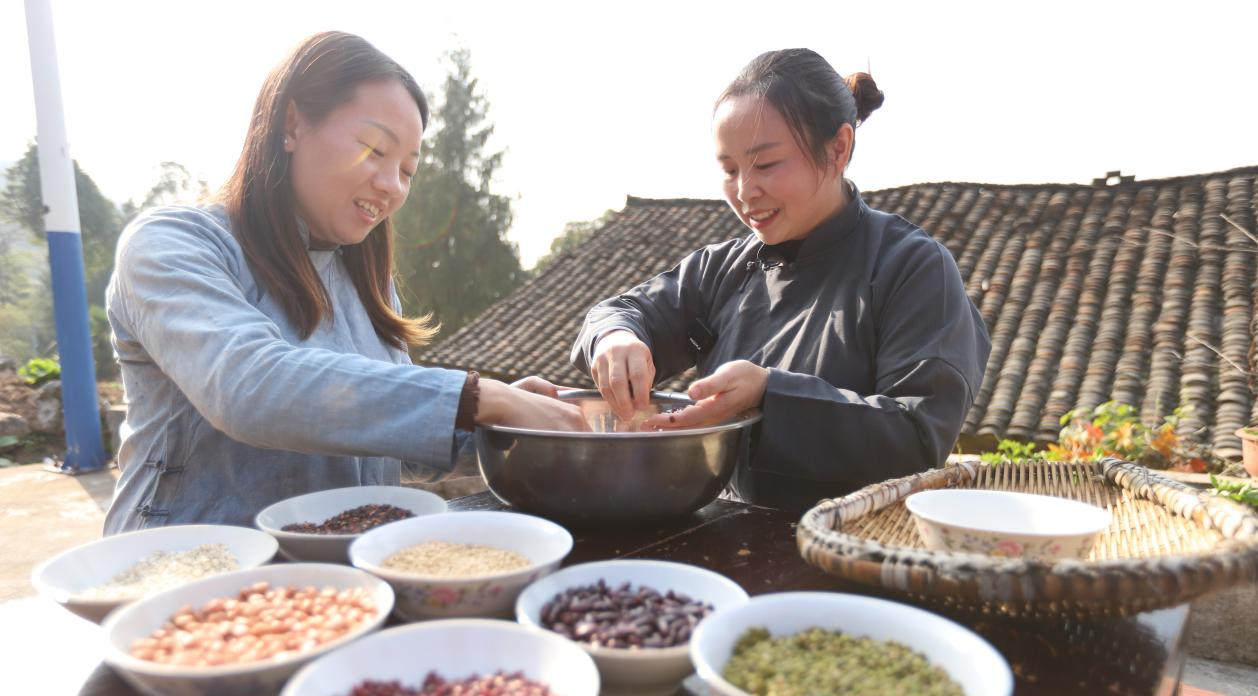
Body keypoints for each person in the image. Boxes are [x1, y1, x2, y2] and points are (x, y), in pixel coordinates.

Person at [104, 32, 582, 534]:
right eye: (375, 149)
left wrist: (498, 421)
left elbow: (380, 434)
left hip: (338, 575)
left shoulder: (365, 282)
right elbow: (248, 387)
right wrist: (478, 398)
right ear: (292, 123)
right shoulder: (172, 244)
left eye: (408, 170)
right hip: (186, 569)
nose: (392, 186)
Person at [570, 49, 992, 513]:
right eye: (729, 170)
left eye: (766, 165)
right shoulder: (723, 269)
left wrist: (770, 397)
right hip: (719, 543)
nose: (745, 191)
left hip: (851, 558)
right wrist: (615, 337)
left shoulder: (909, 267)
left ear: (838, 149)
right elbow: (622, 312)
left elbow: (918, 438)